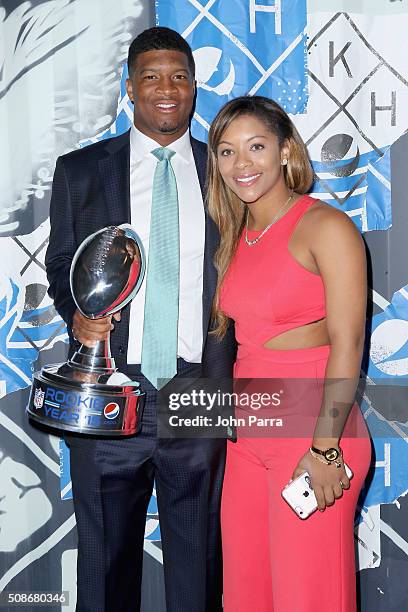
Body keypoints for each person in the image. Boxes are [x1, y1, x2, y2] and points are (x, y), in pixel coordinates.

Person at [45, 27, 236, 612]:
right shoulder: (80, 172)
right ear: (130, 87)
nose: (167, 88)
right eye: (151, 76)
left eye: (179, 75)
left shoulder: (227, 173)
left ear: (195, 86)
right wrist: (77, 315)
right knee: (104, 571)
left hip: (199, 389)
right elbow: (61, 264)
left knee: (198, 569)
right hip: (110, 390)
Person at [206, 96, 371, 612]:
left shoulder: (327, 227)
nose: (242, 164)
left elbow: (349, 343)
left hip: (314, 432)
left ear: (285, 151)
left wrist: (326, 449)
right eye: (228, 152)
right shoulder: (237, 235)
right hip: (247, 437)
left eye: (256, 147)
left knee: (310, 599)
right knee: (246, 598)